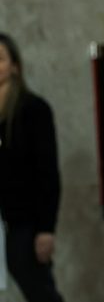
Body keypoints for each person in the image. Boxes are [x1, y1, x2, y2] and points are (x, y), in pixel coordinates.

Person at [0, 33, 64, 302]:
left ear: (14, 66)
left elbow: (47, 171)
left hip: (24, 223)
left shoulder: (33, 109)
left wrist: (46, 229)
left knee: (40, 292)